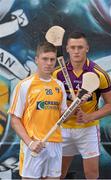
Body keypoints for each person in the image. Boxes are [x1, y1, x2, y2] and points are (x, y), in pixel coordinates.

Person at [53, 32, 111, 179]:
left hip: (88, 130)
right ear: (67, 49)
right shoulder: (56, 74)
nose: (76, 51)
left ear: (87, 48)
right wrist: (63, 110)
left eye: (80, 47)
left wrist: (90, 116)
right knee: (58, 174)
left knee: (92, 175)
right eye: (73, 47)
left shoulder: (99, 73)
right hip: (63, 128)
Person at [8, 41, 68, 179]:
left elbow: (63, 116)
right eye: (45, 59)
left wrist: (77, 104)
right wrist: (30, 143)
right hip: (34, 145)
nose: (49, 63)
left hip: (55, 144)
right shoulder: (24, 85)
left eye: (52, 59)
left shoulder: (59, 85)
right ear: (36, 60)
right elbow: (15, 120)